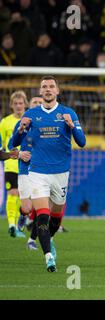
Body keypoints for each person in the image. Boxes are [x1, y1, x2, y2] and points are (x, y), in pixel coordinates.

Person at [10, 75, 86, 272]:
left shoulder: (68, 113)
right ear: (40, 91)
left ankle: (49, 239)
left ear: (57, 91)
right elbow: (15, 142)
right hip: (37, 173)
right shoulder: (32, 114)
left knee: (56, 217)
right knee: (41, 217)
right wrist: (20, 129)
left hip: (61, 173)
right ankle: (48, 257)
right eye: (44, 87)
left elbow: (82, 141)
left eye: (51, 86)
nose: (48, 89)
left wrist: (71, 126)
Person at [9, 96, 43, 250]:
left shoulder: (47, 124)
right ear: (30, 105)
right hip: (25, 170)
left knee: (41, 209)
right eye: (35, 102)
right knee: (28, 208)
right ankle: (23, 214)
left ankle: (32, 240)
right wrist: (20, 153)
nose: (37, 105)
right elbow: (11, 145)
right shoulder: (23, 122)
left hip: (43, 171)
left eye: (40, 103)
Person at [0, 90, 27, 238]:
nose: (18, 106)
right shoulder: (5, 122)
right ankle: (12, 225)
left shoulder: (29, 120)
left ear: (25, 104)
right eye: (15, 103)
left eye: (20, 103)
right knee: (13, 193)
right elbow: (1, 144)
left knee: (24, 197)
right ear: (11, 105)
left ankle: (19, 224)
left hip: (27, 165)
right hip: (11, 164)